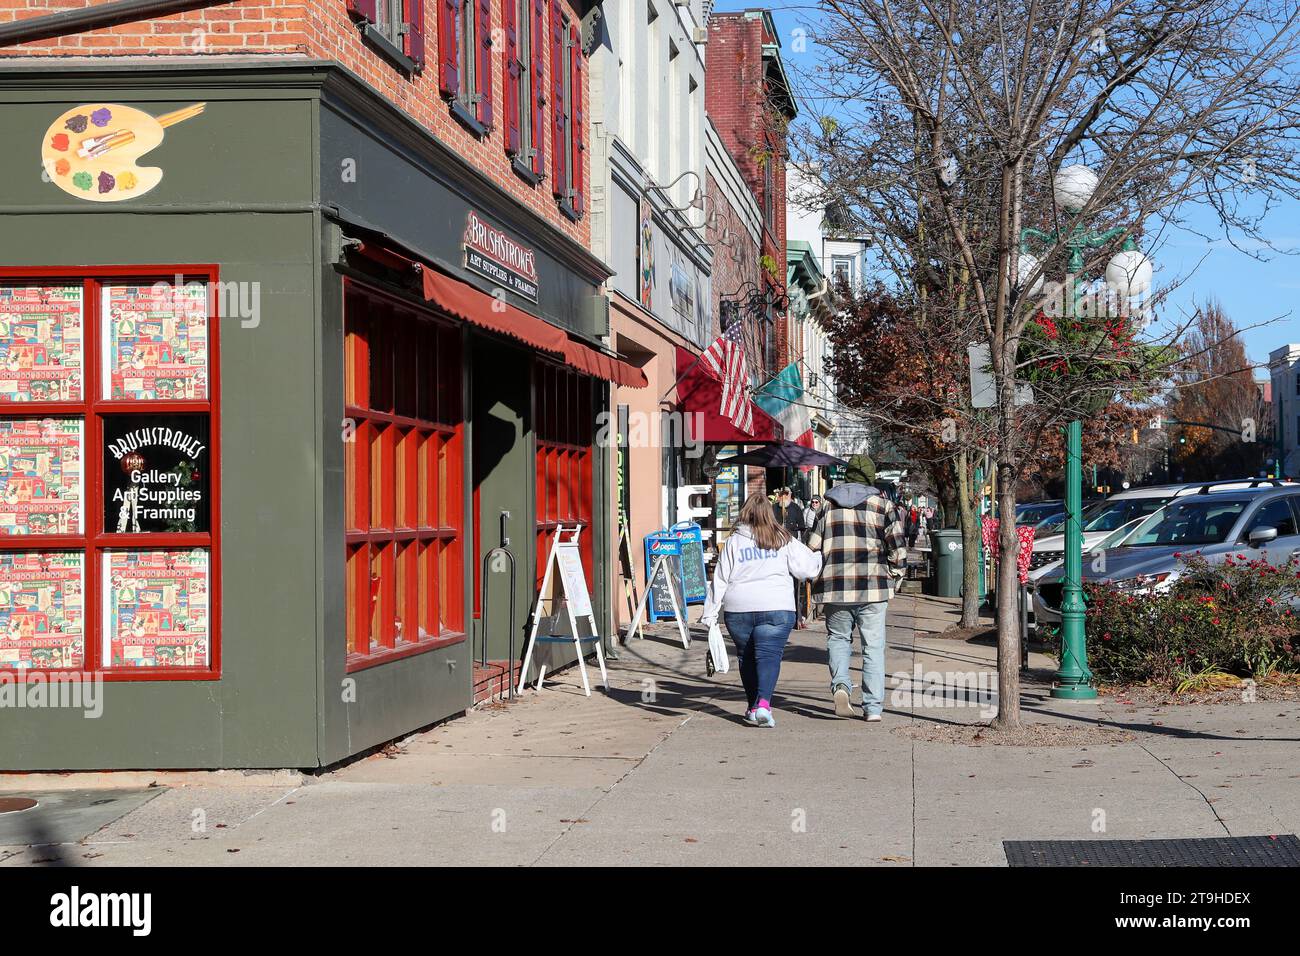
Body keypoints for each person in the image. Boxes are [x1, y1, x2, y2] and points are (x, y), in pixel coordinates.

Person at [701, 492, 822, 728]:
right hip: (777, 607)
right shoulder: (783, 538)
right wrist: (818, 556)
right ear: (770, 513)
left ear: (745, 513)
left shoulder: (734, 541)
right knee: (768, 656)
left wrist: (710, 612)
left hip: (739, 610)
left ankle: (752, 706)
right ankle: (763, 704)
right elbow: (807, 569)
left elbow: (721, 579)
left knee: (746, 657)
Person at [806, 454, 908, 722]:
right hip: (872, 588)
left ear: (847, 475)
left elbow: (812, 546)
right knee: (873, 648)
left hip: (834, 587)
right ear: (870, 477)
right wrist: (895, 576)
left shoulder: (827, 506)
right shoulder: (883, 505)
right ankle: (873, 707)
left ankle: (841, 685)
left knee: (838, 639)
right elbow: (898, 550)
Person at [772, 487, 808, 626]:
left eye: (786, 494)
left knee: (794, 583)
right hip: (776, 548)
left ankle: (796, 617)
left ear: (790, 495)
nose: (783, 497)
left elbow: (802, 527)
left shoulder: (796, 508)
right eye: (781, 494)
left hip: (791, 547)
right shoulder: (773, 508)